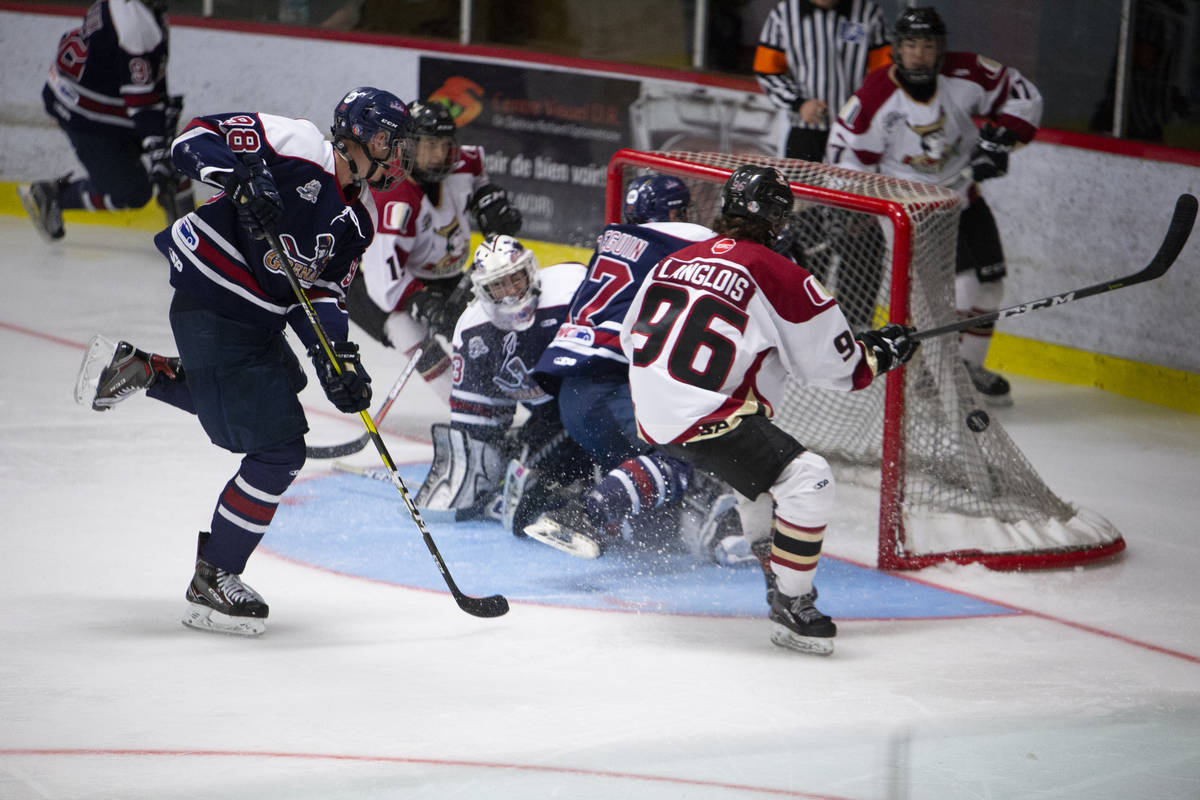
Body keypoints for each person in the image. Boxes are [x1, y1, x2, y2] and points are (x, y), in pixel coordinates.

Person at [73, 87, 416, 636]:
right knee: (277, 451)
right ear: (352, 135)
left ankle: (142, 371)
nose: (395, 156)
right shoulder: (299, 143)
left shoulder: (361, 219)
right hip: (213, 299)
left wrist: (338, 358)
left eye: (399, 145)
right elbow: (194, 138)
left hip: (255, 317)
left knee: (288, 382)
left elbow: (323, 291)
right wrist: (237, 177)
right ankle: (215, 576)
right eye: (385, 141)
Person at [618, 164, 920, 655]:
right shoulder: (780, 272)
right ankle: (793, 603)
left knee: (757, 469)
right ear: (779, 218)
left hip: (650, 410)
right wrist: (882, 350)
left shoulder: (675, 259)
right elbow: (842, 371)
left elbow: (632, 334)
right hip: (704, 417)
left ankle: (772, 568)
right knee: (809, 479)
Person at [523, 175, 750, 564]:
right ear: (674, 212)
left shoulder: (612, 238)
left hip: (572, 394)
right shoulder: (687, 237)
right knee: (688, 454)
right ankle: (583, 514)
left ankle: (601, 512)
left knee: (659, 526)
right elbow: (740, 261)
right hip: (611, 388)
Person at [825, 6, 1043, 406]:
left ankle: (965, 367)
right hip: (909, 209)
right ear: (896, 50)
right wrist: (857, 206)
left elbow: (1025, 97)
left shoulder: (966, 75)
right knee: (951, 290)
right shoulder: (875, 96)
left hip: (962, 197)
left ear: (940, 48)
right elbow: (846, 158)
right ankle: (934, 369)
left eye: (928, 45)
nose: (920, 54)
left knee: (990, 283)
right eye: (911, 45)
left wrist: (1000, 140)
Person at [414, 234, 596, 533]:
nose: (511, 293)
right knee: (534, 469)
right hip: (550, 416)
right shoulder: (472, 331)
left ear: (531, 272)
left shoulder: (571, 289)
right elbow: (476, 424)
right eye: (498, 286)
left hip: (594, 404)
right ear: (483, 291)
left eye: (516, 280)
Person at [346, 99, 522, 404]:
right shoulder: (395, 196)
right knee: (405, 327)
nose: (440, 154)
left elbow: (478, 177)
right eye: (430, 145)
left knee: (480, 329)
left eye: (445, 145)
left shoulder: (462, 164)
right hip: (365, 281)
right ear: (409, 146)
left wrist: (489, 200)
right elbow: (383, 284)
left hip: (442, 274)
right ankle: (465, 407)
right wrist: (422, 302)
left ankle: (511, 397)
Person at [18, 0, 192, 242]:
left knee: (177, 153)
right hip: (85, 113)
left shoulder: (140, 11)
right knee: (133, 191)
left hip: (99, 99)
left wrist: (162, 132)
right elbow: (142, 102)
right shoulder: (134, 24)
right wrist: (159, 146)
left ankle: (192, 238)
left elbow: (148, 79)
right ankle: (54, 194)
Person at [753, 0, 891, 163]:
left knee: (850, 188)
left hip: (854, 132)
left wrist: (864, 108)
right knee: (800, 187)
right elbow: (766, 71)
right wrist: (798, 103)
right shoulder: (784, 14)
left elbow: (884, 74)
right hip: (804, 130)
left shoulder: (867, 13)